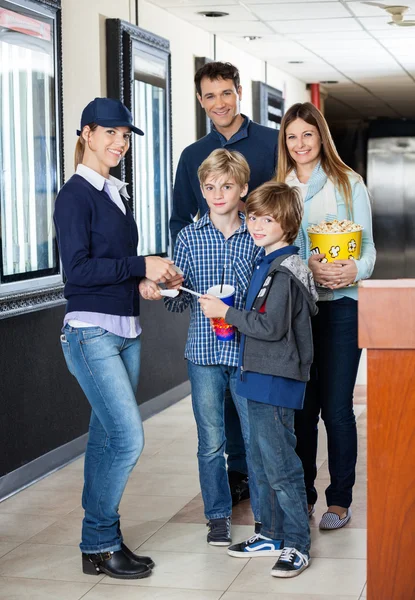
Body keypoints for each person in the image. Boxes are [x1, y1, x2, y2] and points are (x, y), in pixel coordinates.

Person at [53, 97, 179, 579]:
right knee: (128, 438)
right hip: (91, 334)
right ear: (86, 133)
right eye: (110, 133)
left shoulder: (114, 193)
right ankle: (101, 540)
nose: (120, 143)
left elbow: (114, 267)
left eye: (126, 136)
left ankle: (97, 545)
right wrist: (139, 264)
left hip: (126, 331)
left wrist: (142, 282)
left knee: (106, 440)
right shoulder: (75, 195)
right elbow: (78, 271)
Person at [170, 60, 279, 503]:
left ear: (239, 94)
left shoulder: (273, 145)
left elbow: (285, 213)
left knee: (256, 412)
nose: (219, 103)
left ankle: (272, 489)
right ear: (200, 101)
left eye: (226, 93)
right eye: (209, 96)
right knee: (215, 423)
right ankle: (233, 485)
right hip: (208, 306)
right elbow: (180, 218)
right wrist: (183, 266)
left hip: (257, 301)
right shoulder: (193, 155)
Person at [199, 181, 318, 578]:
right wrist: (229, 317)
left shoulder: (284, 271)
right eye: (253, 217)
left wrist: (225, 312)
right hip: (258, 373)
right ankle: (270, 532)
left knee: (281, 464)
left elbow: (269, 325)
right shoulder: (264, 263)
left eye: (268, 218)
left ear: (287, 223)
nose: (257, 225)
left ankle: (297, 543)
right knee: (262, 464)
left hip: (276, 377)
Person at [276, 102, 376, 529]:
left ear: (321, 137)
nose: (300, 144)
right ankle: (303, 497)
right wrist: (306, 266)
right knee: (303, 411)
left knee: (336, 409)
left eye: (307, 135)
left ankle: (339, 500)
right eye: (292, 136)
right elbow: (275, 247)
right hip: (298, 312)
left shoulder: (348, 183)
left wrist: (356, 269)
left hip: (342, 309)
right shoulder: (281, 189)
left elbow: (369, 246)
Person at [163, 148, 262, 545]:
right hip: (202, 355)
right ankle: (217, 516)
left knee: (256, 438)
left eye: (227, 186)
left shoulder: (255, 235)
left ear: (242, 189)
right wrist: (169, 288)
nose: (218, 193)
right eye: (210, 187)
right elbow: (177, 302)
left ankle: (264, 516)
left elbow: (264, 295)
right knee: (211, 442)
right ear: (201, 191)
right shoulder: (188, 237)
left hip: (244, 353)